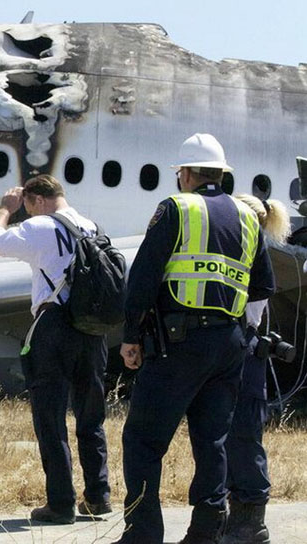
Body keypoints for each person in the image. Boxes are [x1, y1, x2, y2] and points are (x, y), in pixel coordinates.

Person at [116, 133, 275, 544]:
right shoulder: (245, 217)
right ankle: (205, 531)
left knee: (143, 440)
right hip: (229, 346)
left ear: (184, 174)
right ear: (221, 174)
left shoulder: (176, 208)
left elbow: (144, 277)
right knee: (212, 442)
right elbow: (263, 286)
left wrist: (131, 335)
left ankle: (142, 533)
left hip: (178, 342)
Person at [0, 175, 111, 524]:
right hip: (92, 328)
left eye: (26, 204)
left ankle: (60, 503)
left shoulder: (40, 225)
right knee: (90, 415)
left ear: (37, 199)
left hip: (54, 326)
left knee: (50, 418)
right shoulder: (91, 226)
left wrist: (6, 210)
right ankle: (98, 497)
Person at [221, 194, 289, 544]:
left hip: (245, 355)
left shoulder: (250, 253)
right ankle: (237, 516)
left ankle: (250, 521)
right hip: (238, 354)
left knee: (244, 438)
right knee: (232, 437)